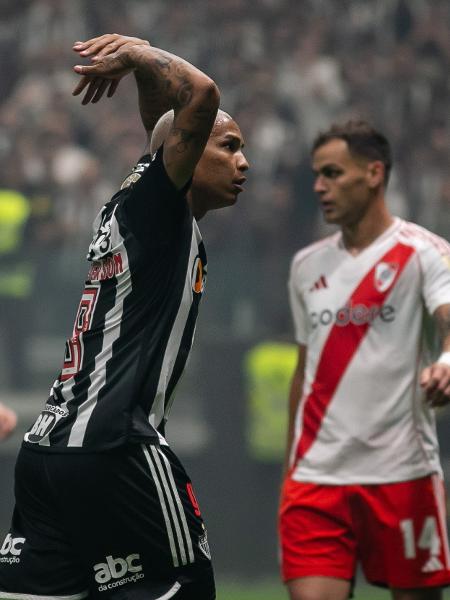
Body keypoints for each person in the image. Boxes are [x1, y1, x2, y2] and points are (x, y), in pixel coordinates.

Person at [0, 33, 248, 600]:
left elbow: (164, 119)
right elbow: (200, 95)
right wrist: (139, 52)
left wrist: (141, 77)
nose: (243, 162)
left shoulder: (136, 203)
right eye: (228, 146)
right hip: (114, 445)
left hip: (46, 450)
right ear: (187, 150)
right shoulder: (160, 207)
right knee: (186, 586)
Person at [279, 120, 450, 600]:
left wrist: (447, 364)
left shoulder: (425, 253)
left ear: (374, 174)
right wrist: (292, 467)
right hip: (316, 480)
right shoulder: (306, 266)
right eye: (317, 175)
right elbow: (305, 369)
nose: (319, 187)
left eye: (332, 173)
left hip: (402, 473)